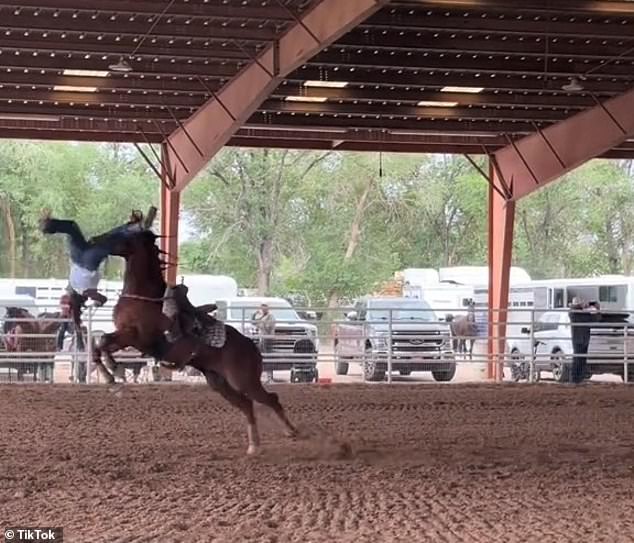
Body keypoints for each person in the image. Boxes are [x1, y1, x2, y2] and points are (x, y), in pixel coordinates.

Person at [40, 206, 157, 306]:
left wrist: (98, 302)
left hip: (87, 262)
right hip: (78, 256)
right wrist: (97, 301)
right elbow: (87, 295)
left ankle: (138, 227)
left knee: (110, 240)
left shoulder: (84, 291)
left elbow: (102, 299)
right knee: (72, 227)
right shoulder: (75, 286)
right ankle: (50, 225)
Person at [568, 297, 600, 384]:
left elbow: (595, 319)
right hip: (580, 338)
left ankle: (578, 379)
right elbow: (594, 319)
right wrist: (592, 308)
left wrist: (593, 309)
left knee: (581, 359)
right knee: (578, 359)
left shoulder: (581, 313)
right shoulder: (575, 313)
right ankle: (575, 379)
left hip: (582, 338)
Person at [252, 303, 276, 382]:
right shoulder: (262, 317)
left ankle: (270, 377)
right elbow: (253, 322)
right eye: (262, 308)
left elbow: (268, 327)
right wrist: (255, 315)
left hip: (268, 338)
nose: (263, 310)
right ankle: (262, 377)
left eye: (265, 308)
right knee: (261, 357)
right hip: (262, 338)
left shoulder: (271, 316)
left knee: (268, 356)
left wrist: (260, 324)